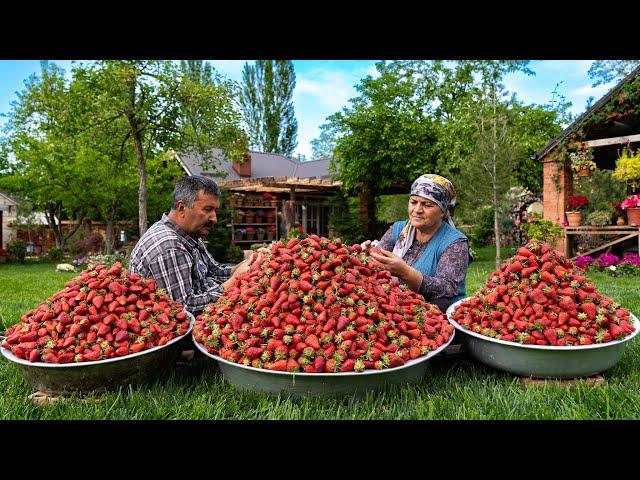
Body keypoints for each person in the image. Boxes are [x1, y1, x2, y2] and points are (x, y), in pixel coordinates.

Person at [129, 175, 257, 316]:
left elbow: (214, 271)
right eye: (207, 209)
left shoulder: (189, 234)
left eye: (215, 210)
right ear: (182, 208)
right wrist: (232, 283)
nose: (214, 218)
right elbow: (182, 310)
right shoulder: (169, 247)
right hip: (181, 333)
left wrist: (248, 264)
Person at [363, 174, 471, 314]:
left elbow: (448, 288)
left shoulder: (455, 242)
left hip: (437, 314)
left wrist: (406, 273)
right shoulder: (398, 230)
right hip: (398, 306)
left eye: (427, 205)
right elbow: (375, 268)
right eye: (414, 202)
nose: (417, 210)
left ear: (443, 212)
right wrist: (367, 256)